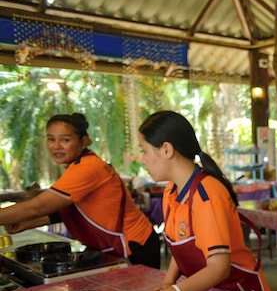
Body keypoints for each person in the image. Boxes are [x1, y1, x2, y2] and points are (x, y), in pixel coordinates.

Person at [129, 111, 271, 291]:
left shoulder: (206, 194)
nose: (142, 159)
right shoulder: (171, 191)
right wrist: (167, 283)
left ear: (166, 149)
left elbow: (219, 268)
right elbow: (181, 245)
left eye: (144, 151)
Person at [0, 113, 160, 269]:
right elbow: (69, 210)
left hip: (134, 245)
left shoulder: (88, 168)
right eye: (51, 139)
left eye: (65, 140)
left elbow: (38, 207)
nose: (56, 146)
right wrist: (29, 223)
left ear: (83, 141)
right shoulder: (77, 166)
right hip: (112, 245)